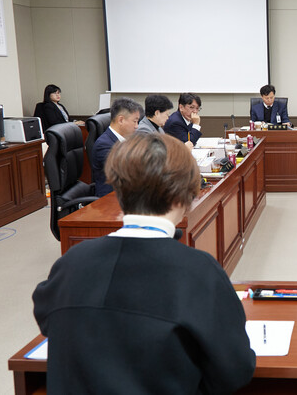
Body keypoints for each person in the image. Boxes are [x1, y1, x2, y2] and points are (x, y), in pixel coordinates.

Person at [33, 133, 256, 394]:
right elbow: (235, 369)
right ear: (185, 195)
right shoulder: (198, 271)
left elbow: (47, 319)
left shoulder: (71, 262)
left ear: (119, 190)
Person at [91, 97, 140, 197]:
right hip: (111, 198)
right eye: (134, 121)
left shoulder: (126, 139)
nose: (137, 126)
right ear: (121, 120)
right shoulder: (104, 145)